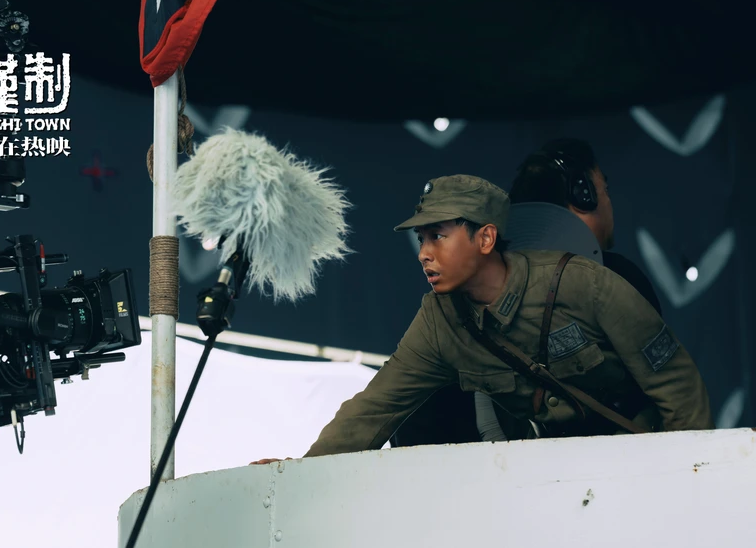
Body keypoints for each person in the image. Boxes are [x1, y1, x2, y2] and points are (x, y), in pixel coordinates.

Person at [252, 174, 712, 463]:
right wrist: (302, 472)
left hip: (636, 456)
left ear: (486, 239)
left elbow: (675, 384)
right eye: (421, 240)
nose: (424, 254)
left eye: (438, 236)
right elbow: (376, 408)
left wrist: (692, 474)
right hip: (553, 471)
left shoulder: (582, 284)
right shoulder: (439, 321)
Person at [390, 138, 665, 448]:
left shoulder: (458, 293)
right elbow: (667, 386)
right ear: (583, 196)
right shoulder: (617, 277)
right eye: (605, 191)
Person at [509, 138, 662, 314]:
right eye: (605, 189)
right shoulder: (621, 280)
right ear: (583, 197)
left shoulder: (503, 283)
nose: (609, 201)